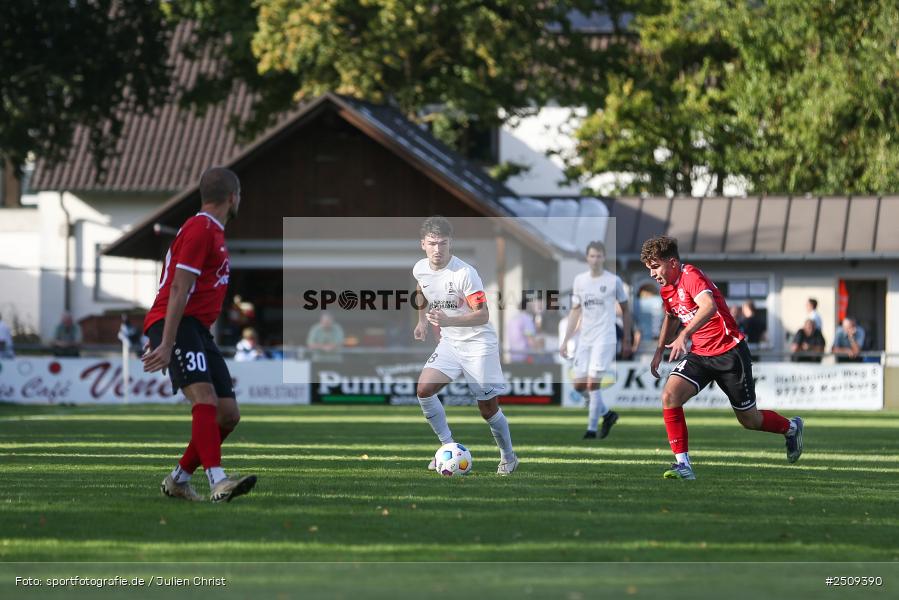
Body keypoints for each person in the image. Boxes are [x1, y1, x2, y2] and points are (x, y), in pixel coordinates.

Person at [641, 235, 803, 480]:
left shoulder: (691, 275)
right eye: (649, 269)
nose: (652, 274)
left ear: (672, 262)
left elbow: (709, 306)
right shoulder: (667, 288)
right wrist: (658, 350)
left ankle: (791, 428)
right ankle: (683, 465)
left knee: (750, 420)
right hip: (700, 354)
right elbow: (672, 316)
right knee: (670, 396)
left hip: (730, 352)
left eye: (655, 267)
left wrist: (684, 334)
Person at [142, 166, 256, 503]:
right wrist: (166, 342)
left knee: (229, 414)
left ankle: (178, 480)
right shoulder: (200, 228)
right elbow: (179, 288)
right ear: (233, 197)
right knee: (204, 399)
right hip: (176, 322)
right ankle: (218, 481)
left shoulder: (213, 231)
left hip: (196, 329)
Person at [412, 216, 518, 475]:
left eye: (443, 243)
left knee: (487, 409)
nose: (438, 249)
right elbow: (420, 290)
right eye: (432, 243)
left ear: (451, 244)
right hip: (451, 343)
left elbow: (483, 315)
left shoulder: (465, 273)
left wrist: (448, 320)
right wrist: (422, 322)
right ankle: (447, 449)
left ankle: (509, 457)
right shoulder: (420, 268)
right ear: (423, 244)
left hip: (478, 344)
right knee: (424, 390)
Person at [560, 241, 631, 440]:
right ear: (587, 258)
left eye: (599, 256)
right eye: (592, 256)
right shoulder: (580, 281)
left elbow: (625, 310)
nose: (595, 259)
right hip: (585, 339)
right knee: (579, 386)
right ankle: (607, 414)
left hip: (605, 338)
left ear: (603, 257)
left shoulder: (613, 281)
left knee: (593, 384)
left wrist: (626, 338)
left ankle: (591, 430)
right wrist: (566, 340)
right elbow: (575, 311)